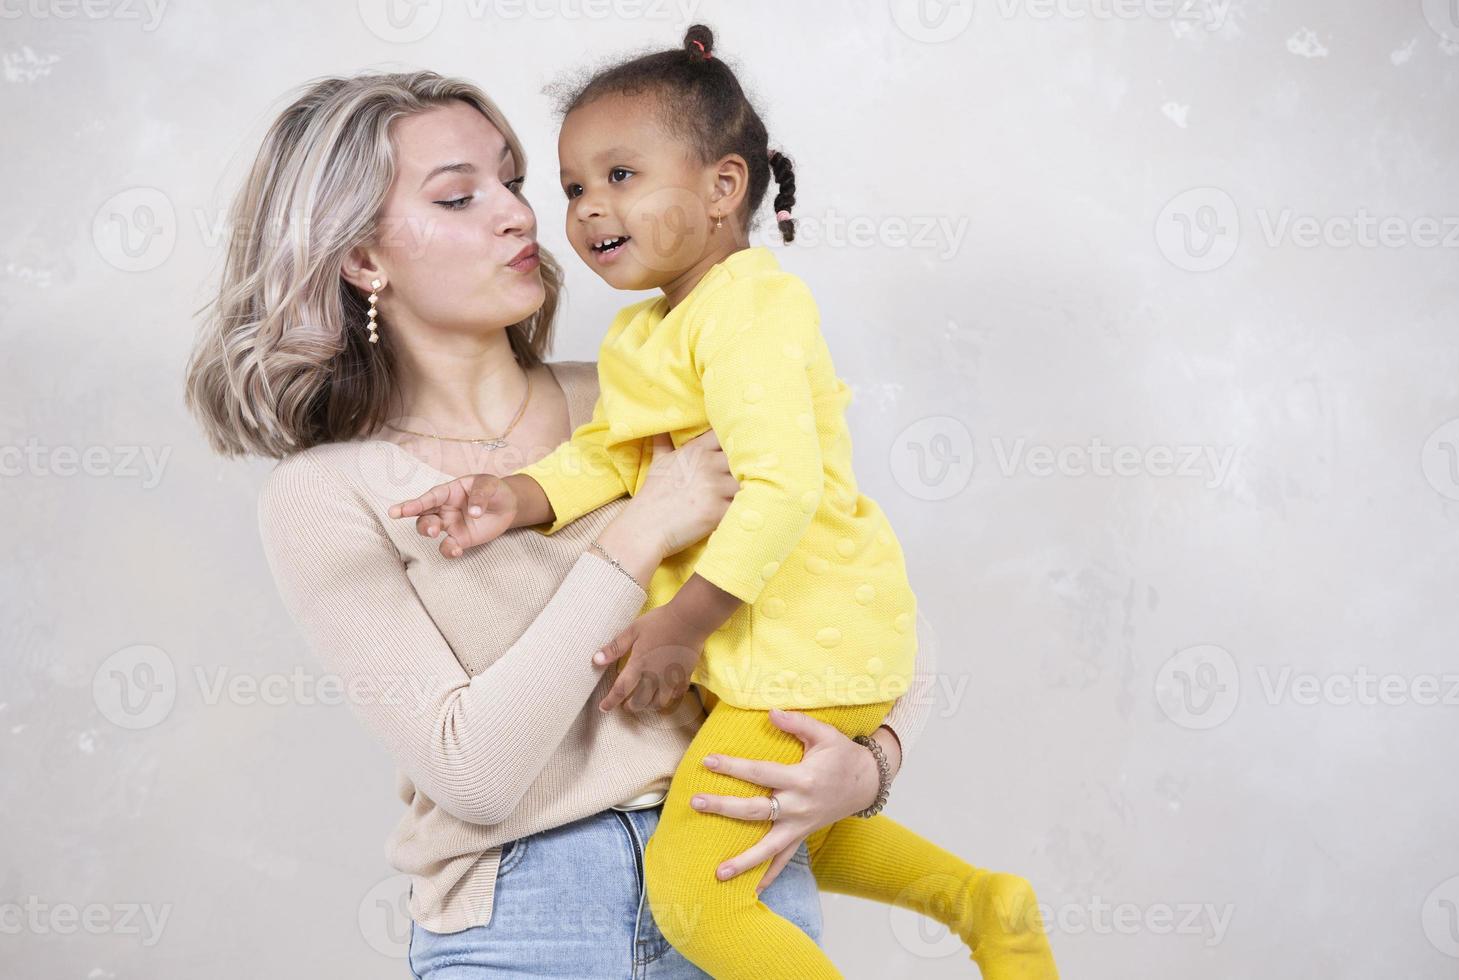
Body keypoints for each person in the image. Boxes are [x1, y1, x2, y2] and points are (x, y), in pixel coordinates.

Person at [183, 69, 987, 978]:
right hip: (524, 922)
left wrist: (871, 766)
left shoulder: (649, 394)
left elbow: (861, 601)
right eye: (459, 196)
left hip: (734, 874)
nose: (521, 216)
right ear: (363, 259)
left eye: (517, 181)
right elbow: (472, 776)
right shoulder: (330, 493)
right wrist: (639, 533)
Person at [392, 26, 1057, 980]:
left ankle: (982, 907)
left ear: (723, 188)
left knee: (698, 896)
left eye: (622, 176)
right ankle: (985, 905)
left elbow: (782, 490)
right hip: (759, 660)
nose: (585, 211)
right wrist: (518, 498)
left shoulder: (751, 307)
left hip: (808, 636)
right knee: (778, 826)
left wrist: (683, 624)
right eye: (575, 187)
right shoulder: (640, 334)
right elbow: (614, 459)